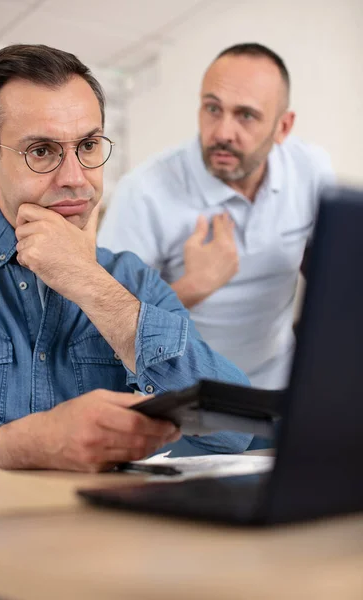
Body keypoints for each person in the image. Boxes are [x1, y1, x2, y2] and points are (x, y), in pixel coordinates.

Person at [0, 44, 256, 471]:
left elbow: (238, 428)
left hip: (109, 535)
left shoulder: (132, 281)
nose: (74, 178)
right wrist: (18, 444)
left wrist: (89, 282)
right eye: (41, 151)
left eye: (88, 145)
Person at [99, 43, 335, 391]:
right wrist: (192, 286)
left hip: (279, 387)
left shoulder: (311, 169)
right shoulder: (144, 191)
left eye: (246, 115)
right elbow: (102, 323)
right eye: (212, 108)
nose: (223, 132)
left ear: (283, 127)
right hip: (184, 394)